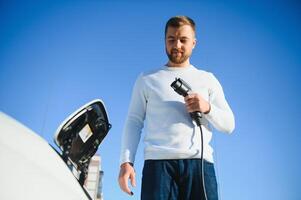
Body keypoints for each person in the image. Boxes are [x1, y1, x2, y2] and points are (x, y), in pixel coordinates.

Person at [118, 16, 235, 200]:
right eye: (171, 39)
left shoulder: (208, 79)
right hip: (158, 167)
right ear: (164, 41)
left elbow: (229, 125)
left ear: (194, 43)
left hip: (200, 166)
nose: (177, 45)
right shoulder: (147, 79)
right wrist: (126, 162)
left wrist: (207, 108)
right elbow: (134, 121)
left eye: (183, 40)